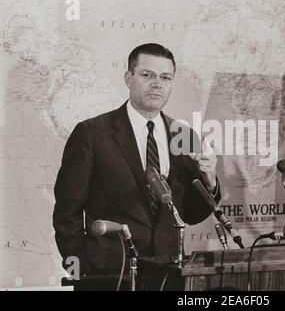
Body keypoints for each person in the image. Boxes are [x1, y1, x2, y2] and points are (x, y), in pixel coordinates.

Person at [53, 43, 220, 288]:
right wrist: (84, 267)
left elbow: (192, 214)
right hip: (108, 276)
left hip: (167, 275)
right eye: (147, 75)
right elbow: (67, 213)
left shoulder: (185, 137)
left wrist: (210, 181)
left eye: (165, 77)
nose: (157, 83)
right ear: (128, 78)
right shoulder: (92, 134)